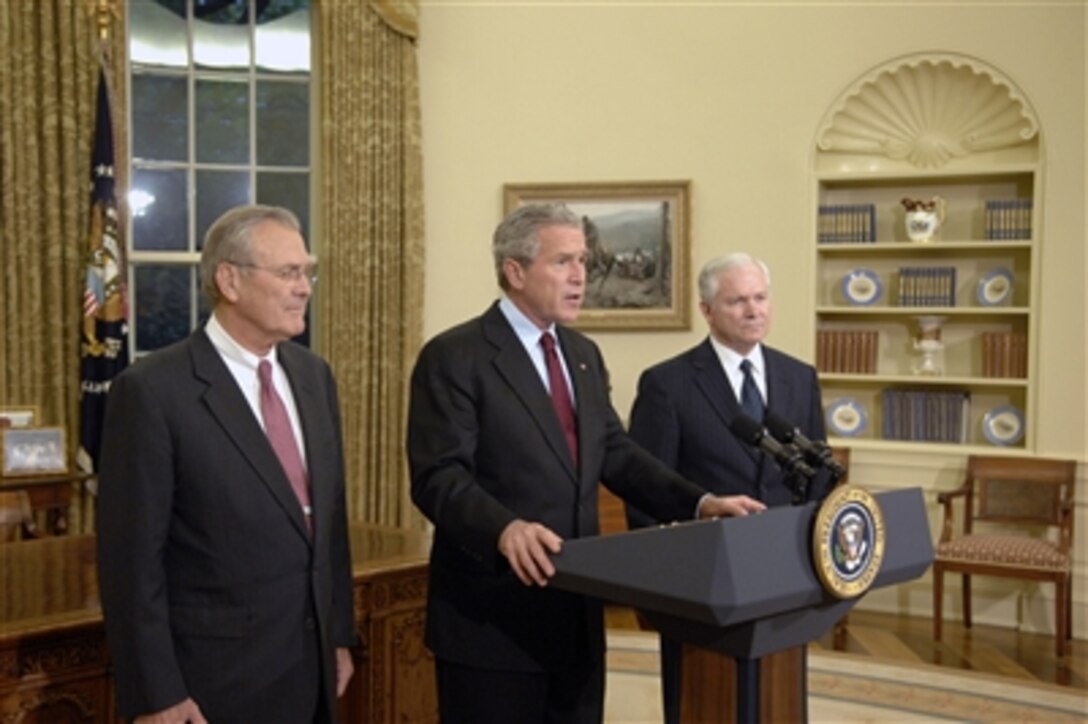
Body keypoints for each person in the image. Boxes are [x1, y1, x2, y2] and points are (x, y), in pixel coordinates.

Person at [406, 204, 766, 724]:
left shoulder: (582, 354)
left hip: (575, 614)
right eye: (564, 262)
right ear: (515, 271)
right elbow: (438, 476)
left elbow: (615, 453)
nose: (582, 276)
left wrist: (699, 502)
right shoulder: (456, 356)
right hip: (492, 620)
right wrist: (503, 528)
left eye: (584, 260)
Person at [97, 204, 356, 723]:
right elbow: (131, 562)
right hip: (211, 684)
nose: (305, 287)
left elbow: (329, 524)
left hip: (312, 670)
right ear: (229, 280)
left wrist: (340, 636)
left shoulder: (313, 376)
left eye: (308, 272)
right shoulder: (153, 391)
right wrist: (157, 693)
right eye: (288, 272)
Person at [626, 252, 836, 724]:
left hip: (787, 566)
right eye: (738, 300)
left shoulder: (798, 376)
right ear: (707, 310)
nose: (753, 310)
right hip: (704, 573)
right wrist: (658, 581)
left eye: (760, 297)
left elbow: (818, 472)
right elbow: (647, 488)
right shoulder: (667, 383)